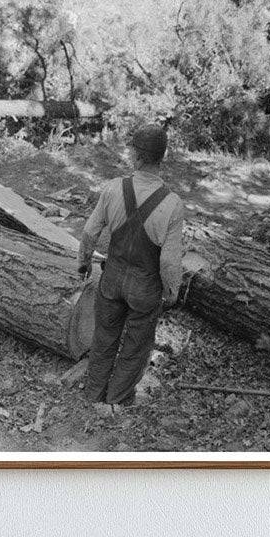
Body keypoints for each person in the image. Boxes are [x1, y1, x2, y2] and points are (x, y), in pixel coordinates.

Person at [78, 123, 184, 407]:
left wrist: (84, 262)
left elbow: (90, 232)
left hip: (111, 279)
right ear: (161, 158)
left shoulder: (113, 189)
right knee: (136, 347)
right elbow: (169, 260)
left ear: (136, 157)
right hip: (145, 288)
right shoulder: (172, 204)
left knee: (103, 340)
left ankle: (93, 396)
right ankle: (118, 400)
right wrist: (172, 290)